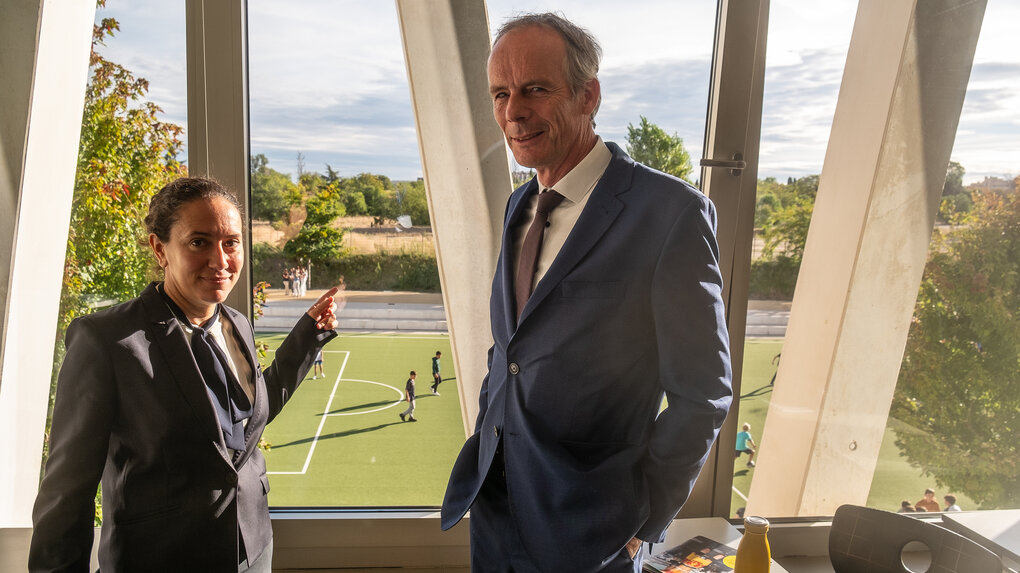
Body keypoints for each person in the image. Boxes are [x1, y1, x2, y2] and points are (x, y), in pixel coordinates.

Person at [440, 13, 732, 573]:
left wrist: (642, 522)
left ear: (587, 95)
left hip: (593, 533)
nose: (513, 111)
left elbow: (703, 394)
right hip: (495, 511)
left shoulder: (670, 213)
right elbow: (510, 351)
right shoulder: (519, 206)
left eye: (535, 89)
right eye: (501, 93)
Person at [29, 177, 340, 572]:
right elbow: (65, 493)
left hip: (253, 549)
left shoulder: (238, 325)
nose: (221, 260)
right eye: (199, 242)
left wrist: (307, 338)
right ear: (159, 249)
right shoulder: (106, 341)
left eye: (231, 242)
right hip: (161, 559)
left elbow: (239, 428)